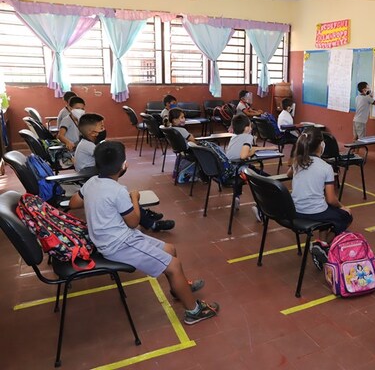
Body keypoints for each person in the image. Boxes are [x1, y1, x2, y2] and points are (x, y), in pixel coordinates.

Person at [69, 141, 218, 325]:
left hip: (114, 238)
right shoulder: (118, 191)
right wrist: (134, 198)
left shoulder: (91, 182)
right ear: (123, 166)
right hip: (119, 244)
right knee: (174, 265)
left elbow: (73, 203)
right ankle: (194, 312)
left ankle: (179, 289)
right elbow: (133, 222)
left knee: (170, 249)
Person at [286, 127, 353, 270]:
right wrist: (342, 207)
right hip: (315, 211)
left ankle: (321, 242)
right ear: (321, 145)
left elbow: (288, 174)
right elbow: (331, 199)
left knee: (327, 212)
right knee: (345, 216)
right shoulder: (326, 167)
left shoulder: (297, 161)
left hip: (295, 210)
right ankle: (321, 245)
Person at [225, 114, 270, 221]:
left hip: (229, 170)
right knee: (267, 180)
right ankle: (259, 209)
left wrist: (254, 149)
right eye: (250, 126)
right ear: (246, 128)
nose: (251, 128)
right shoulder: (248, 137)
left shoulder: (233, 137)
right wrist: (253, 150)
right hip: (239, 172)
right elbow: (243, 155)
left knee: (246, 167)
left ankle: (236, 197)